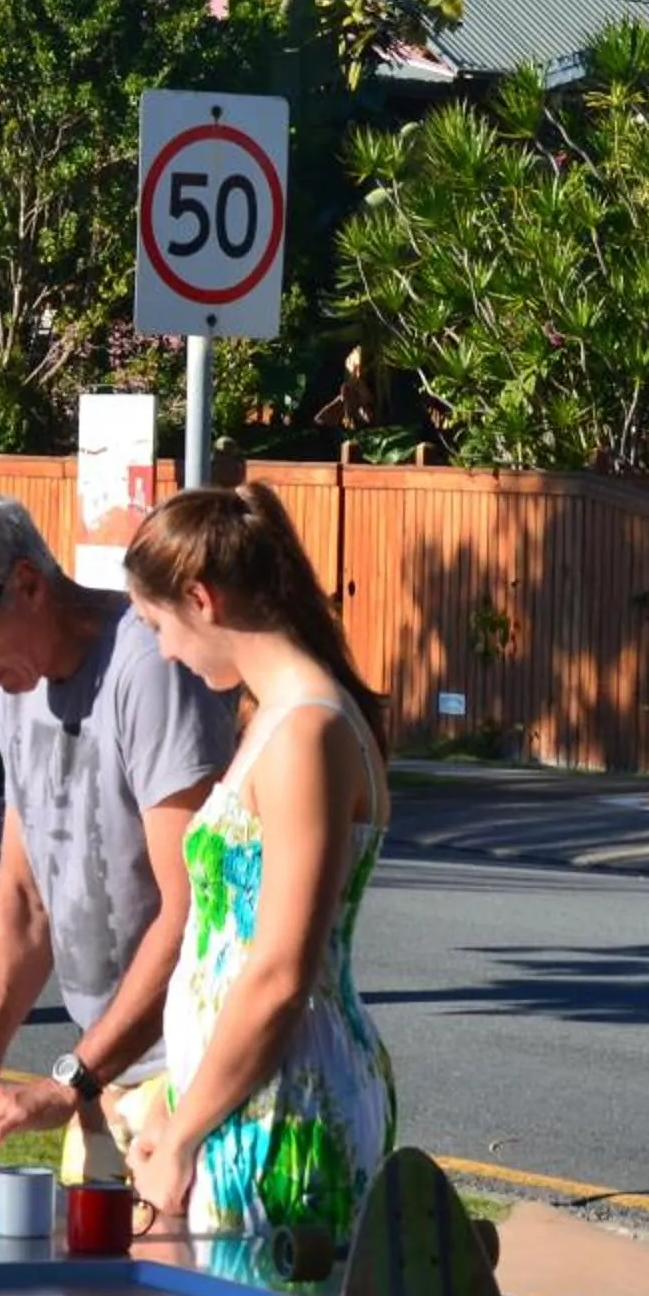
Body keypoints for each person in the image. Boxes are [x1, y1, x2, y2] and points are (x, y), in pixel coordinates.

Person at [0, 491, 238, 1165]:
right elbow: (23, 902)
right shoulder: (16, 692)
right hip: (107, 1081)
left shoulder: (148, 671)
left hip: (192, 1077)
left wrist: (73, 1078)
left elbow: (196, 906)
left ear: (27, 584)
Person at [117, 483, 396, 1240]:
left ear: (201, 599)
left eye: (157, 626)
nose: (165, 652)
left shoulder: (307, 731)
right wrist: (174, 1103)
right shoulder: (276, 719)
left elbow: (278, 973)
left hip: (286, 1112)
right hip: (244, 1099)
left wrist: (180, 1136)